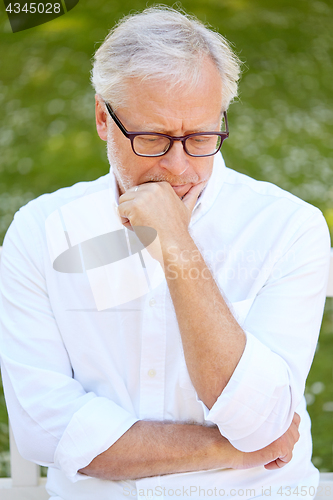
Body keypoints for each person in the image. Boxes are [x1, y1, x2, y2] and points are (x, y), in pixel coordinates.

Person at [0, 6, 330, 500]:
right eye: (152, 139)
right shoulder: (41, 232)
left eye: (200, 138)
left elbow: (262, 422)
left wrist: (177, 247)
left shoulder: (288, 227)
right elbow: (45, 432)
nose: (179, 168)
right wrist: (233, 450)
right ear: (102, 119)